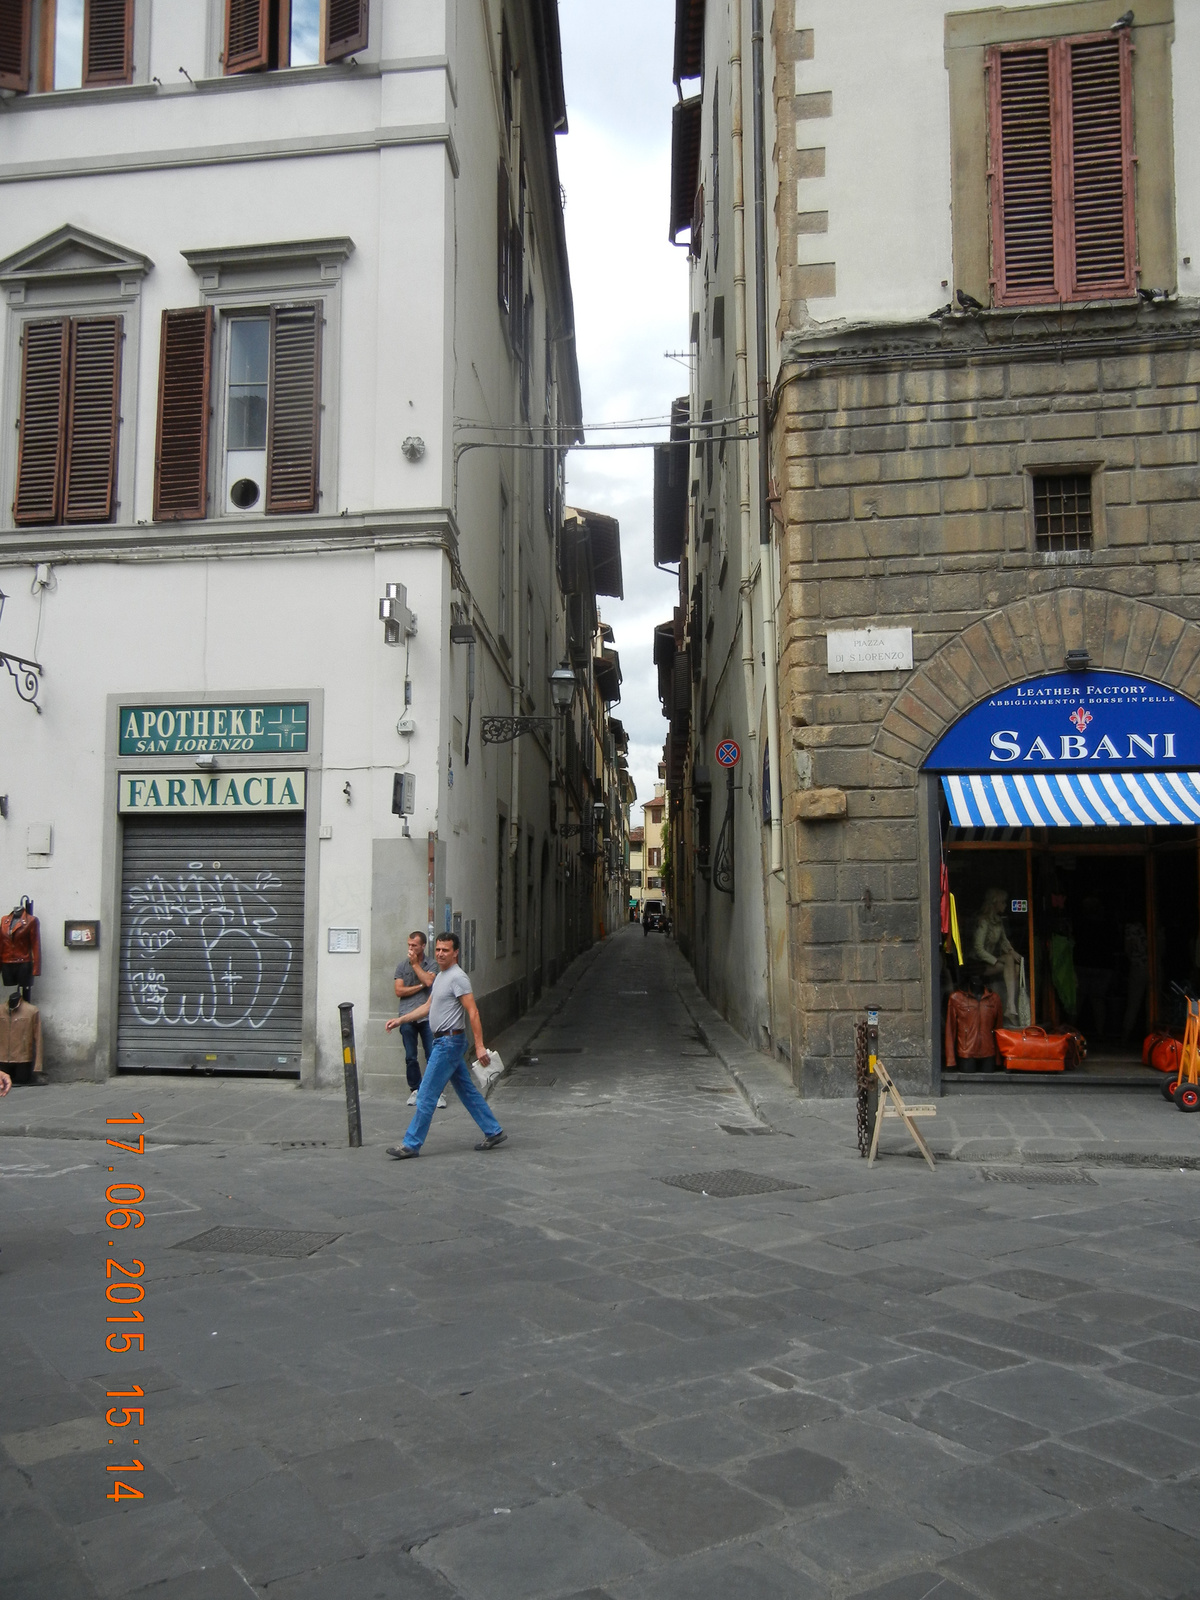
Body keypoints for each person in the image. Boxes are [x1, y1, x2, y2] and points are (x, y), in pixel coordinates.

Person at [384, 931, 506, 1159]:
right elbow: (428, 1006)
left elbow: (473, 1011)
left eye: (445, 950)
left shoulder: (458, 977)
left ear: (455, 953)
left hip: (449, 1043)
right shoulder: (441, 976)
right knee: (467, 1091)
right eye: (438, 949)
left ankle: (411, 1143)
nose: (440, 954)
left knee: (426, 1093)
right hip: (446, 1041)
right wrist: (401, 1019)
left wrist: (479, 1046)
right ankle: (493, 1131)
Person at [394, 931, 443, 1108]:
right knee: (410, 1056)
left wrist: (416, 966)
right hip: (407, 1015)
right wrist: (421, 985)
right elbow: (399, 991)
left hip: (428, 1017)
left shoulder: (433, 964)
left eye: (414, 945)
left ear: (423, 946)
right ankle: (415, 1089)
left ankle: (435, 1092)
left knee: (432, 1055)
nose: (410, 948)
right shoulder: (401, 966)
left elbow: (430, 982)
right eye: (409, 945)